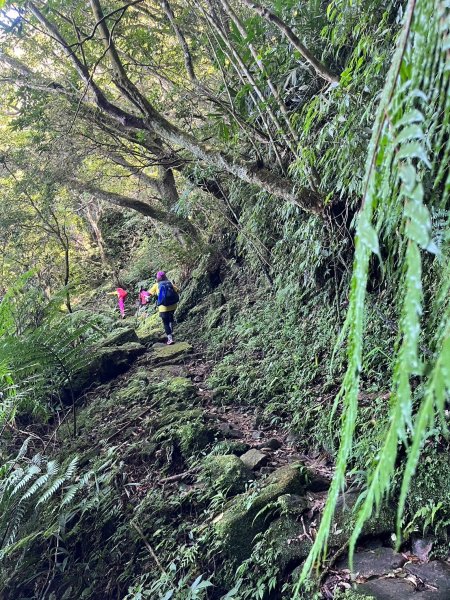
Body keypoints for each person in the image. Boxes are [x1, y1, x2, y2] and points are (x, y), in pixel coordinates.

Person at [148, 271, 179, 345]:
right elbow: (177, 290)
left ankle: (170, 339)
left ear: (158, 277)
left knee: (165, 323)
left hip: (163, 307)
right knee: (171, 319)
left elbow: (149, 293)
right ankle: (171, 332)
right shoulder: (169, 283)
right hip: (173, 306)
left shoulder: (157, 285)